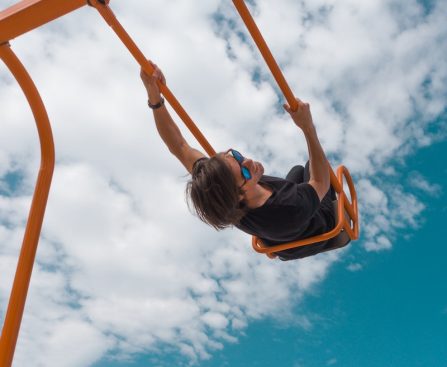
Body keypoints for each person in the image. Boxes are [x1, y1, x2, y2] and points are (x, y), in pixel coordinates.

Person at [140, 65, 336, 260]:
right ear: (239, 196)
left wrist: (154, 97)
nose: (250, 162)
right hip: (319, 227)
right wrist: (307, 127)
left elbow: (179, 146)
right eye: (246, 173)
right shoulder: (290, 209)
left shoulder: (221, 192)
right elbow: (320, 183)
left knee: (297, 170)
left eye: (236, 156)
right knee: (314, 166)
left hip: (279, 236)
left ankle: (274, 240)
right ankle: (301, 224)